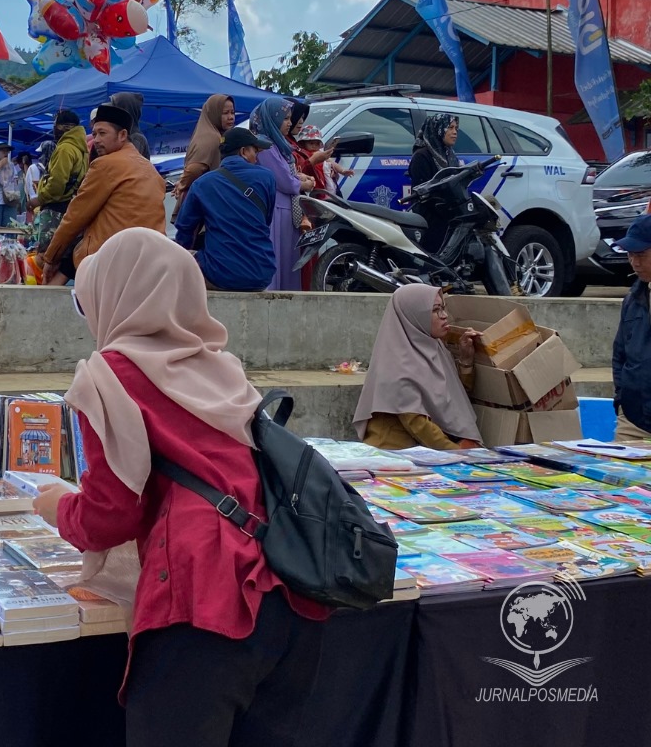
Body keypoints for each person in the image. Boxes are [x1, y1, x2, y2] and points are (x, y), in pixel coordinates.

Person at [32, 228, 329, 747]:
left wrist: (57, 507)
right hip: (290, 592)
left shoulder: (110, 375)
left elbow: (110, 513)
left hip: (203, 602)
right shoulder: (224, 368)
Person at [41, 104, 166, 284]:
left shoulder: (105, 164)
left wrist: (51, 257)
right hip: (150, 261)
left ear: (122, 135)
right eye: (95, 133)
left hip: (110, 261)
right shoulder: (150, 169)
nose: (96, 140)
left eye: (102, 133)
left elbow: (75, 217)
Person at [354, 285, 483, 450]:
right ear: (414, 315)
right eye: (436, 310)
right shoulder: (396, 363)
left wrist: (466, 360)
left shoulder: (434, 348)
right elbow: (417, 424)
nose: (444, 316)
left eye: (443, 309)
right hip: (393, 455)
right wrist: (459, 454)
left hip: (425, 453)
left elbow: (454, 397)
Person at [174, 128, 277, 292]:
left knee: (174, 262)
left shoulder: (202, 184)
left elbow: (185, 232)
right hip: (261, 273)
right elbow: (266, 220)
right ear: (243, 151)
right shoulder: (268, 178)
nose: (256, 158)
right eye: (255, 151)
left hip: (220, 275)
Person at [250, 98, 316, 291]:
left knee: (286, 263)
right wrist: (304, 183)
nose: (290, 122)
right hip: (276, 211)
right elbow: (285, 181)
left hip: (284, 210)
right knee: (279, 263)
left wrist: (299, 179)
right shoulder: (266, 147)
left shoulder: (276, 145)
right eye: (285, 118)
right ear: (273, 118)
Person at [612, 215, 651, 441]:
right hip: (633, 421)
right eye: (630, 255)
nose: (634, 262)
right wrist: (621, 401)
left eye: (641, 255)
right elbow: (620, 354)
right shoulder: (633, 298)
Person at [35, 111, 90, 256]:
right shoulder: (81, 149)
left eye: (55, 125)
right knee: (63, 255)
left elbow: (57, 183)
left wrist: (40, 198)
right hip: (69, 206)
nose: (54, 129)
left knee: (47, 256)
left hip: (55, 208)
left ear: (63, 127)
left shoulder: (65, 148)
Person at [408, 114, 461, 252]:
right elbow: (423, 193)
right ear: (437, 129)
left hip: (448, 215)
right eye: (450, 127)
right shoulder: (422, 156)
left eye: (456, 128)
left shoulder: (450, 155)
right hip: (429, 219)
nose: (455, 132)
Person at [176, 94, 236, 203]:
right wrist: (182, 183)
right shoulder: (211, 137)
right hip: (203, 203)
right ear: (214, 113)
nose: (231, 117)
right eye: (225, 113)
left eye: (232, 112)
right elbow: (195, 169)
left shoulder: (213, 134)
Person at [110, 92, 150, 159]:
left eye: (114, 108)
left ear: (124, 110)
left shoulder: (136, 138)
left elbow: (128, 163)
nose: (111, 112)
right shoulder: (119, 134)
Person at [0, 142, 23, 225]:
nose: (6, 154)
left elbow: (15, 182)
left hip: (10, 200)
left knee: (9, 226)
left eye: (7, 151)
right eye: (3, 151)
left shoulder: (11, 165)